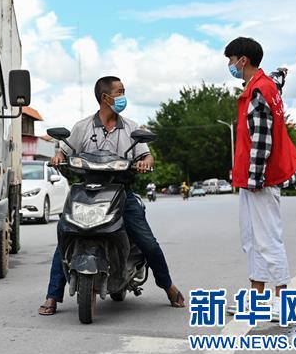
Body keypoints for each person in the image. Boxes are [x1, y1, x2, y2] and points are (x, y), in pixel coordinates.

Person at [38, 76, 186, 316]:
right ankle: (52, 296)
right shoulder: (82, 127)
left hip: (120, 193)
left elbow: (146, 156)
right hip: (86, 191)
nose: (123, 96)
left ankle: (168, 286)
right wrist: (58, 158)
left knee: (148, 241)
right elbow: (63, 151)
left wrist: (145, 163)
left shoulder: (130, 127)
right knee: (66, 236)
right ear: (105, 97)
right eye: (120, 92)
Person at [223, 37, 296, 319]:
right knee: (252, 239)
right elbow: (276, 80)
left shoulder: (258, 92)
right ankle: (256, 297)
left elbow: (262, 140)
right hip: (251, 178)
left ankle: (284, 300)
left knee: (268, 239)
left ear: (242, 60)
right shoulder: (266, 84)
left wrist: (255, 180)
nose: (229, 65)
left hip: (260, 178)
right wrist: (282, 73)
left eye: (231, 60)